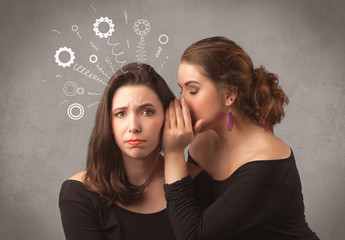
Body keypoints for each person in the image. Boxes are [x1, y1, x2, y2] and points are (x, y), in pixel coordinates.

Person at [162, 37, 320, 240]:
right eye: (180, 89)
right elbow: (188, 210)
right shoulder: (202, 139)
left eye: (192, 90)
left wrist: (173, 153)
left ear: (230, 94)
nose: (182, 101)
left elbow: (193, 235)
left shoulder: (268, 163)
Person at [59, 63, 208, 240]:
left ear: (168, 117)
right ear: (109, 123)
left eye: (147, 112)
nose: (133, 127)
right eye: (121, 114)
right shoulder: (79, 194)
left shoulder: (198, 181)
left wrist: (174, 151)